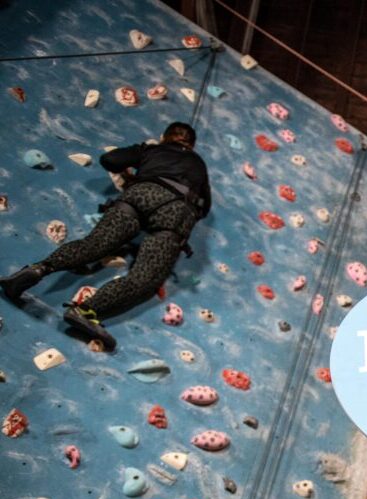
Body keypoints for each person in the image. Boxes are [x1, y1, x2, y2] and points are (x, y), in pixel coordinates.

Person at [0, 121, 211, 351]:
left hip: (141, 193)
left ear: (164, 137)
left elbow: (110, 160)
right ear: (192, 144)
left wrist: (137, 168)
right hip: (175, 210)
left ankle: (38, 269)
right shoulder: (199, 165)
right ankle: (85, 311)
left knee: (94, 244)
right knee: (144, 279)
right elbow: (205, 207)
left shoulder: (152, 149)